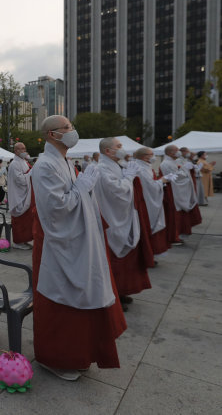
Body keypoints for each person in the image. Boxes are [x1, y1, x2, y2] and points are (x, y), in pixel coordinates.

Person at [30, 116, 126, 381]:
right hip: (60, 245)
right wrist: (82, 188)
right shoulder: (45, 165)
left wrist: (84, 188)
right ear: (52, 134)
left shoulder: (64, 161)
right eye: (68, 128)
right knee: (61, 302)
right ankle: (55, 358)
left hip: (78, 241)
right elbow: (55, 209)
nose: (73, 131)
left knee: (81, 300)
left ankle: (78, 354)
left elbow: (72, 198)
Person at [94, 138, 152, 311]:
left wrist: (127, 175)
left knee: (126, 261)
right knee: (112, 261)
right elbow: (117, 191)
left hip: (123, 216)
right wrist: (129, 177)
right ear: (107, 152)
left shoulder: (117, 165)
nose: (122, 149)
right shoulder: (101, 169)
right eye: (118, 146)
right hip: (111, 219)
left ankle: (122, 290)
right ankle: (114, 295)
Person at [132, 147, 171, 256]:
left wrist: (160, 182)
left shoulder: (145, 166)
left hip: (149, 198)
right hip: (146, 201)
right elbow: (149, 186)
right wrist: (162, 181)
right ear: (145, 156)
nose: (153, 156)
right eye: (151, 154)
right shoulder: (140, 168)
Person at [160, 145, 201, 239]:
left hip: (178, 191)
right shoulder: (166, 163)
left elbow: (180, 173)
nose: (179, 152)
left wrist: (185, 170)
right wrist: (185, 171)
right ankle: (173, 236)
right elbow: (175, 177)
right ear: (170, 152)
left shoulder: (173, 162)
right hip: (173, 192)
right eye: (177, 150)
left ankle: (178, 234)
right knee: (174, 215)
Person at [8, 143, 35, 249]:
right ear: (15, 151)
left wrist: (30, 172)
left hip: (26, 194)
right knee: (20, 221)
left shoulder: (24, 162)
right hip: (19, 196)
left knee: (27, 220)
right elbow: (20, 180)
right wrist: (30, 173)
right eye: (21, 149)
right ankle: (18, 242)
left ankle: (24, 240)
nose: (24, 150)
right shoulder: (15, 164)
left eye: (24, 148)